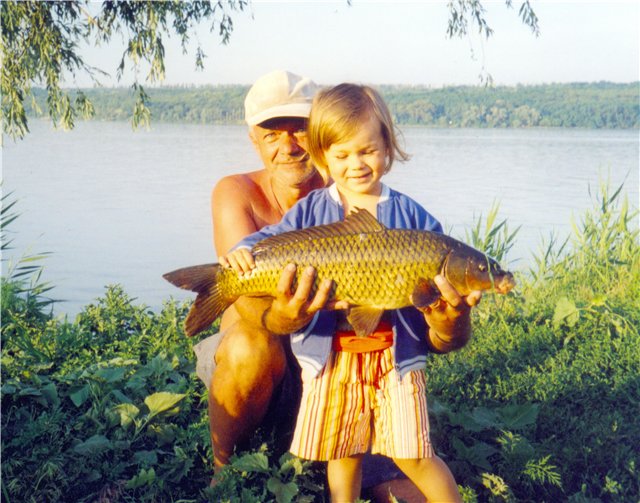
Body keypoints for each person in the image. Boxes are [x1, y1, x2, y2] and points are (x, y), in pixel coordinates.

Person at [222, 83, 482, 502]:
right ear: (324, 158)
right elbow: (270, 238)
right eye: (341, 155)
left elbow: (444, 327)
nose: (355, 165)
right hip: (334, 359)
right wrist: (241, 254)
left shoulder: (413, 218)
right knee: (342, 452)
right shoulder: (309, 211)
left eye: (367, 151)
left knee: (414, 453)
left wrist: (451, 313)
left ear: (388, 148)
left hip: (394, 363)